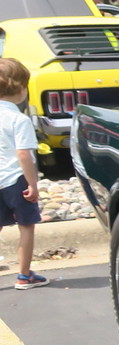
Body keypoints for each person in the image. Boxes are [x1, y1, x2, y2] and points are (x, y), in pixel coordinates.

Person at [0, 58, 47, 290]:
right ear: (21, 90)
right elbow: (24, 156)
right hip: (16, 180)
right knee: (26, 227)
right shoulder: (19, 119)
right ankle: (24, 275)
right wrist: (33, 184)